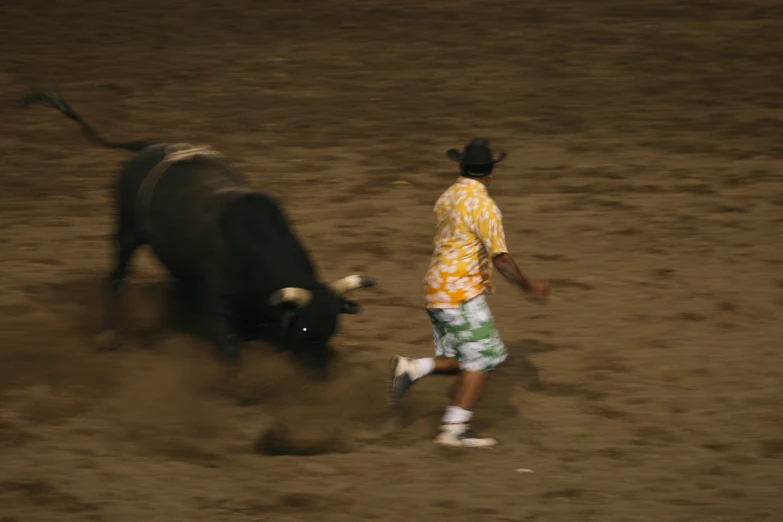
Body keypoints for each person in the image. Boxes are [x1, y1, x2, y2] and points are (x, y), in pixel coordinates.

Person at [387, 137, 550, 448]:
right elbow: (500, 257)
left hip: (435, 288)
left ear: (461, 168)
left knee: (463, 357)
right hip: (460, 292)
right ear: (490, 172)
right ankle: (454, 430)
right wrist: (529, 288)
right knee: (485, 358)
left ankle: (413, 368)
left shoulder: (446, 197)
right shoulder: (484, 206)